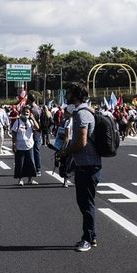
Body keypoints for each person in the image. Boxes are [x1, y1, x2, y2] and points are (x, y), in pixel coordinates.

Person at [54, 81, 103, 252]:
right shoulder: (85, 111)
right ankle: (92, 236)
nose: (67, 96)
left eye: (69, 93)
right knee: (85, 202)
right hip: (88, 164)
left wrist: (65, 152)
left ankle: (87, 239)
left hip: (88, 165)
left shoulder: (82, 114)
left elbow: (81, 142)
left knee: (86, 203)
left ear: (75, 95)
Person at [11, 106, 37, 185]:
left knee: (31, 163)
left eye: (27, 112)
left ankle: (30, 179)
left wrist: (33, 119)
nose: (26, 113)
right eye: (24, 112)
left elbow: (37, 127)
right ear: (21, 113)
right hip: (20, 146)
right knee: (20, 164)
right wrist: (14, 144)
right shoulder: (18, 121)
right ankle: (20, 180)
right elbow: (14, 133)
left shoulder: (30, 121)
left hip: (29, 145)